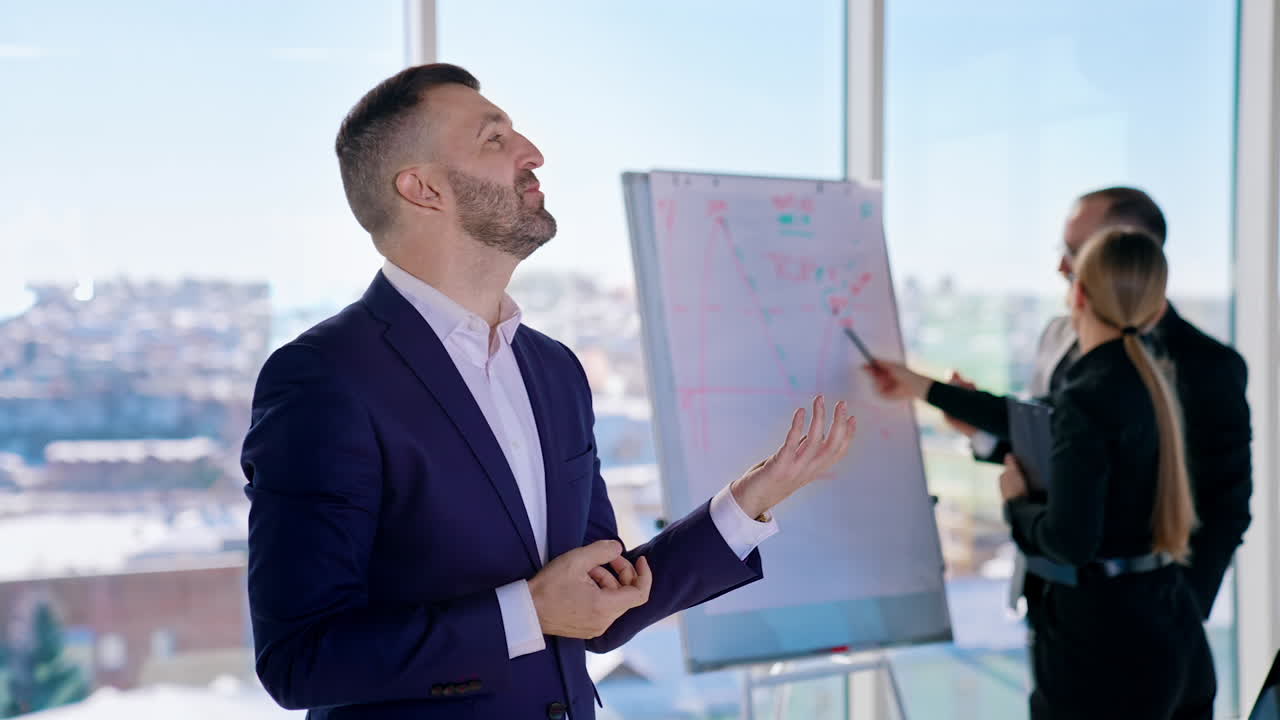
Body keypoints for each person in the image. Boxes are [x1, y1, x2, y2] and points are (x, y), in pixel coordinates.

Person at [240, 63, 856, 720]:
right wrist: (527, 612)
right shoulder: (326, 377)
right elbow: (301, 658)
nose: (533, 153)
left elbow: (600, 610)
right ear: (423, 190)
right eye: (492, 138)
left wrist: (752, 499)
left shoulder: (554, 370)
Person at [869, 228, 1217, 718]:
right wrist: (921, 387)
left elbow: (1069, 540)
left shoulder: (1088, 393)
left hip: (1103, 647)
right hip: (1170, 628)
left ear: (1077, 294)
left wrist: (1016, 504)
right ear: (1156, 308)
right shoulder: (1149, 380)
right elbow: (1030, 420)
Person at [949, 187, 1251, 621]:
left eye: (1073, 251)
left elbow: (1225, 507)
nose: (1060, 266)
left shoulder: (1207, 366)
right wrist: (979, 429)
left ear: (1124, 247)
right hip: (1051, 603)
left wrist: (1181, 614)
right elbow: (1057, 451)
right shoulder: (1058, 337)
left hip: (1146, 621)